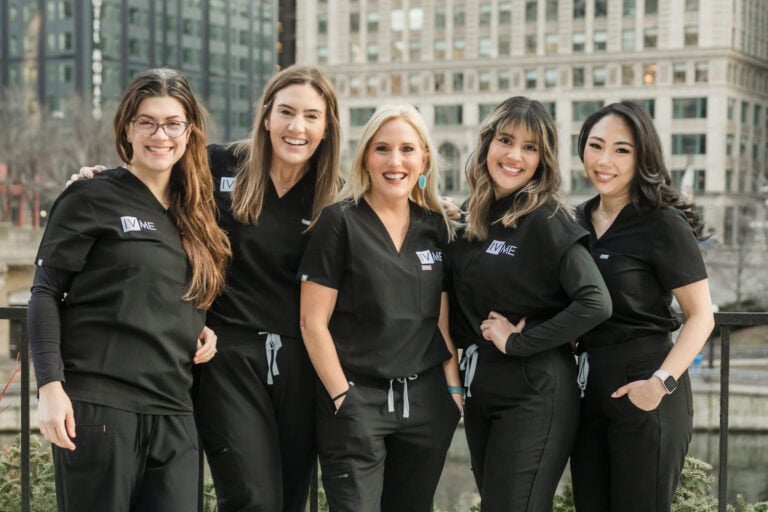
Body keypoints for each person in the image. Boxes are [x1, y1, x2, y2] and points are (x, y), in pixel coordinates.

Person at [68, 65, 342, 512]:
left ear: (327, 126)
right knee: (252, 497)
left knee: (290, 499)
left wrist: (435, 211)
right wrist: (95, 178)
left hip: (300, 364)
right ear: (266, 115)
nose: (297, 127)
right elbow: (148, 180)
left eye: (312, 116)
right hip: (225, 357)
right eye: (287, 112)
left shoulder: (335, 196)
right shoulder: (217, 165)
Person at [27, 67, 231, 511]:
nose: (161, 135)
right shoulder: (91, 196)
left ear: (189, 130)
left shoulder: (195, 210)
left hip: (175, 411)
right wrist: (49, 386)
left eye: (173, 123)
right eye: (147, 122)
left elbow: (165, 286)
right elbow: (44, 292)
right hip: (101, 409)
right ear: (128, 128)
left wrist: (199, 325)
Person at [448, 96, 612, 512]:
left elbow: (596, 302)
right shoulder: (474, 214)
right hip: (482, 391)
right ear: (488, 143)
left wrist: (520, 342)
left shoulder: (547, 216)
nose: (514, 155)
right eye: (506, 140)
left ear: (543, 159)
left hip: (535, 391)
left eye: (530, 147)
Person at [299, 104, 463, 512]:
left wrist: (454, 390)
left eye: (407, 149)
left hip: (426, 403)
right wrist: (342, 398)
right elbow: (311, 322)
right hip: (357, 402)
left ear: (423, 158)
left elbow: (440, 317)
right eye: (382, 148)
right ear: (366, 157)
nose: (395, 161)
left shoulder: (436, 226)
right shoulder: (338, 222)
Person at [570, 101, 715, 512]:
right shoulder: (575, 221)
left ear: (642, 156)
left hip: (646, 385)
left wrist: (661, 383)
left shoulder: (660, 222)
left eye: (621, 150)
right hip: (586, 391)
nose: (604, 160)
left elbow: (701, 315)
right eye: (595, 146)